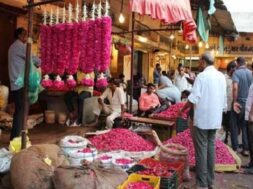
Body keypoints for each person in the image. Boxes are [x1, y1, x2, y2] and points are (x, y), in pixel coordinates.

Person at [179, 52, 227, 189]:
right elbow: (224, 101)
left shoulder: (202, 76)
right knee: (210, 148)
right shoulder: (221, 76)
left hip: (203, 119)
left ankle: (201, 184)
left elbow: (193, 98)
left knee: (201, 150)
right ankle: (210, 181)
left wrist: (181, 110)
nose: (199, 64)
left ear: (203, 62)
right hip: (215, 119)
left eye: (199, 62)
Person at [8, 27, 41, 140]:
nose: (26, 37)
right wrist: (42, 62)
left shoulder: (13, 46)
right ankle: (16, 137)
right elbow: (32, 58)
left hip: (16, 83)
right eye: (24, 34)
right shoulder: (19, 46)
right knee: (20, 111)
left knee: (20, 110)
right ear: (19, 36)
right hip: (19, 83)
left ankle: (17, 135)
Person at [230, 57, 252, 155]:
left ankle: (235, 147)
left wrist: (234, 101)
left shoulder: (236, 73)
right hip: (248, 104)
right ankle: (246, 148)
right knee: (245, 126)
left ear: (238, 63)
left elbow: (235, 88)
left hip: (239, 102)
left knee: (234, 125)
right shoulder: (251, 73)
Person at [222, 61, 237, 144]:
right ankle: (224, 140)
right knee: (225, 125)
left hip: (232, 106)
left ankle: (227, 139)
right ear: (231, 69)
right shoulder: (224, 78)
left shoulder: (235, 78)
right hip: (225, 107)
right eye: (235, 69)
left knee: (231, 126)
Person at [244, 81, 253, 174]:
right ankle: (251, 163)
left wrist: (251, 113)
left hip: (251, 116)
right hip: (249, 115)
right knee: (250, 141)